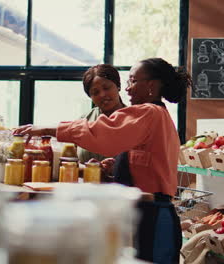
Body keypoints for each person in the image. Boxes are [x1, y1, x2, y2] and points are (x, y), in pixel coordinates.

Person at [14, 58, 192, 264]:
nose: (127, 88)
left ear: (151, 85)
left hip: (151, 216)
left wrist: (47, 129)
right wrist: (115, 166)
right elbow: (145, 159)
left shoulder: (149, 112)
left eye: (132, 81)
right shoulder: (155, 114)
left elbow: (104, 134)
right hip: (147, 212)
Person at [78, 64, 126, 164]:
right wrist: (90, 168)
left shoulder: (134, 118)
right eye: (95, 92)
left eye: (106, 88)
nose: (102, 95)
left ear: (118, 86)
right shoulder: (84, 120)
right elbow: (73, 163)